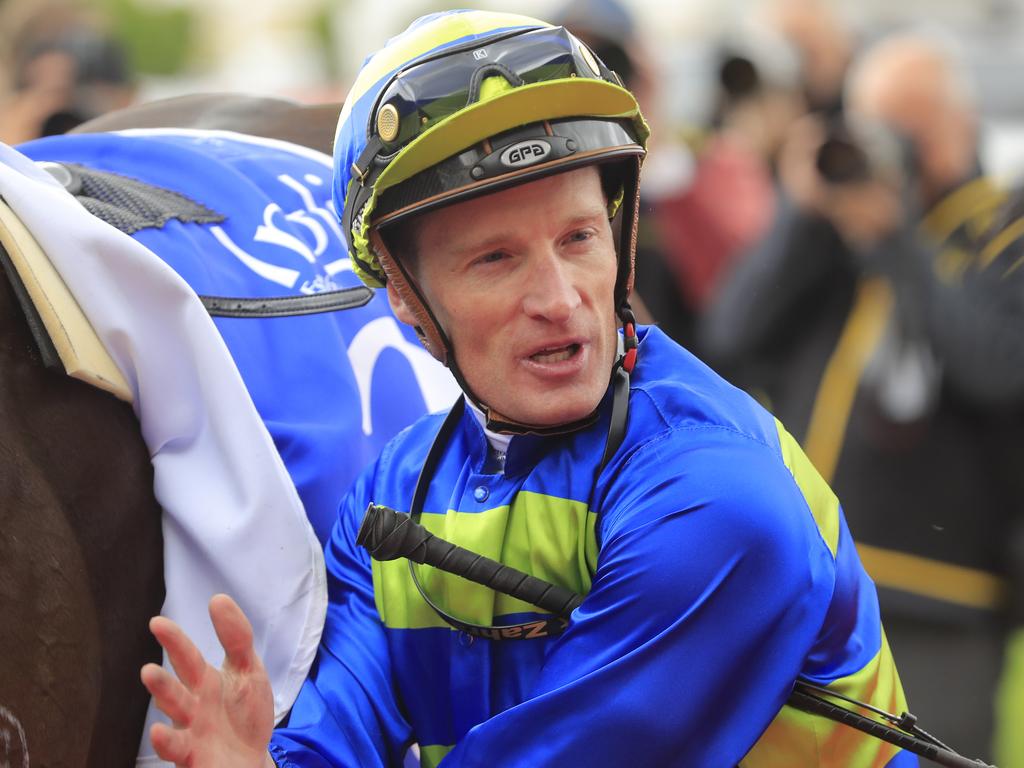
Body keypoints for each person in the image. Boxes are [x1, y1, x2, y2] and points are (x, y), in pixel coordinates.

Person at [140, 11, 919, 767]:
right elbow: (334, 740)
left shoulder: (717, 496)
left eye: (579, 238)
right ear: (406, 297)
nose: (559, 296)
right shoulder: (393, 494)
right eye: (496, 259)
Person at [701, 33, 1024, 762]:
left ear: (957, 123)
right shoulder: (832, 232)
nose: (886, 149)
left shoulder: (1002, 228)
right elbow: (732, 328)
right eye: (870, 126)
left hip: (941, 592)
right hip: (810, 577)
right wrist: (801, 213)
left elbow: (998, 366)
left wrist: (897, 242)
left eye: (905, 128)